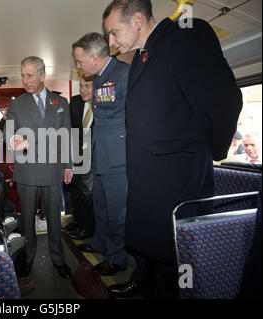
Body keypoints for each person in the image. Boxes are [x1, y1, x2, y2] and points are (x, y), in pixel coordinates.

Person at [102, 0, 242, 298]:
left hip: (177, 178)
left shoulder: (186, 35)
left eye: (114, 33)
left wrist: (211, 151)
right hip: (147, 180)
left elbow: (224, 100)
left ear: (137, 20)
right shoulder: (141, 57)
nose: (111, 42)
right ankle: (142, 280)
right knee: (150, 248)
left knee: (173, 261)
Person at [4, 56, 73, 279]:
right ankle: (28, 256)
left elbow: (67, 137)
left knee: (55, 219)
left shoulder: (60, 103)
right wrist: (14, 138)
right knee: (26, 220)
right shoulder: (17, 104)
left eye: (30, 75)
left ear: (42, 75)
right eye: (23, 75)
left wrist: (68, 166)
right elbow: (8, 130)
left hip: (53, 170)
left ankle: (58, 259)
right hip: (28, 171)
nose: (25, 80)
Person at [72, 33, 130, 276]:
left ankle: (117, 258)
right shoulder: (97, 80)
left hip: (118, 156)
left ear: (94, 58)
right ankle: (100, 245)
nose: (77, 66)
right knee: (101, 207)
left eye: (79, 61)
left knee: (117, 212)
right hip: (99, 154)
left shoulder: (125, 74)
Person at [66, 76, 95, 241]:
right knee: (75, 191)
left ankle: (87, 228)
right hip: (76, 155)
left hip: (94, 156)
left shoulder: (103, 102)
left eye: (88, 86)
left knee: (87, 193)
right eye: (81, 86)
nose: (83, 90)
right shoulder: (75, 102)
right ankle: (77, 221)